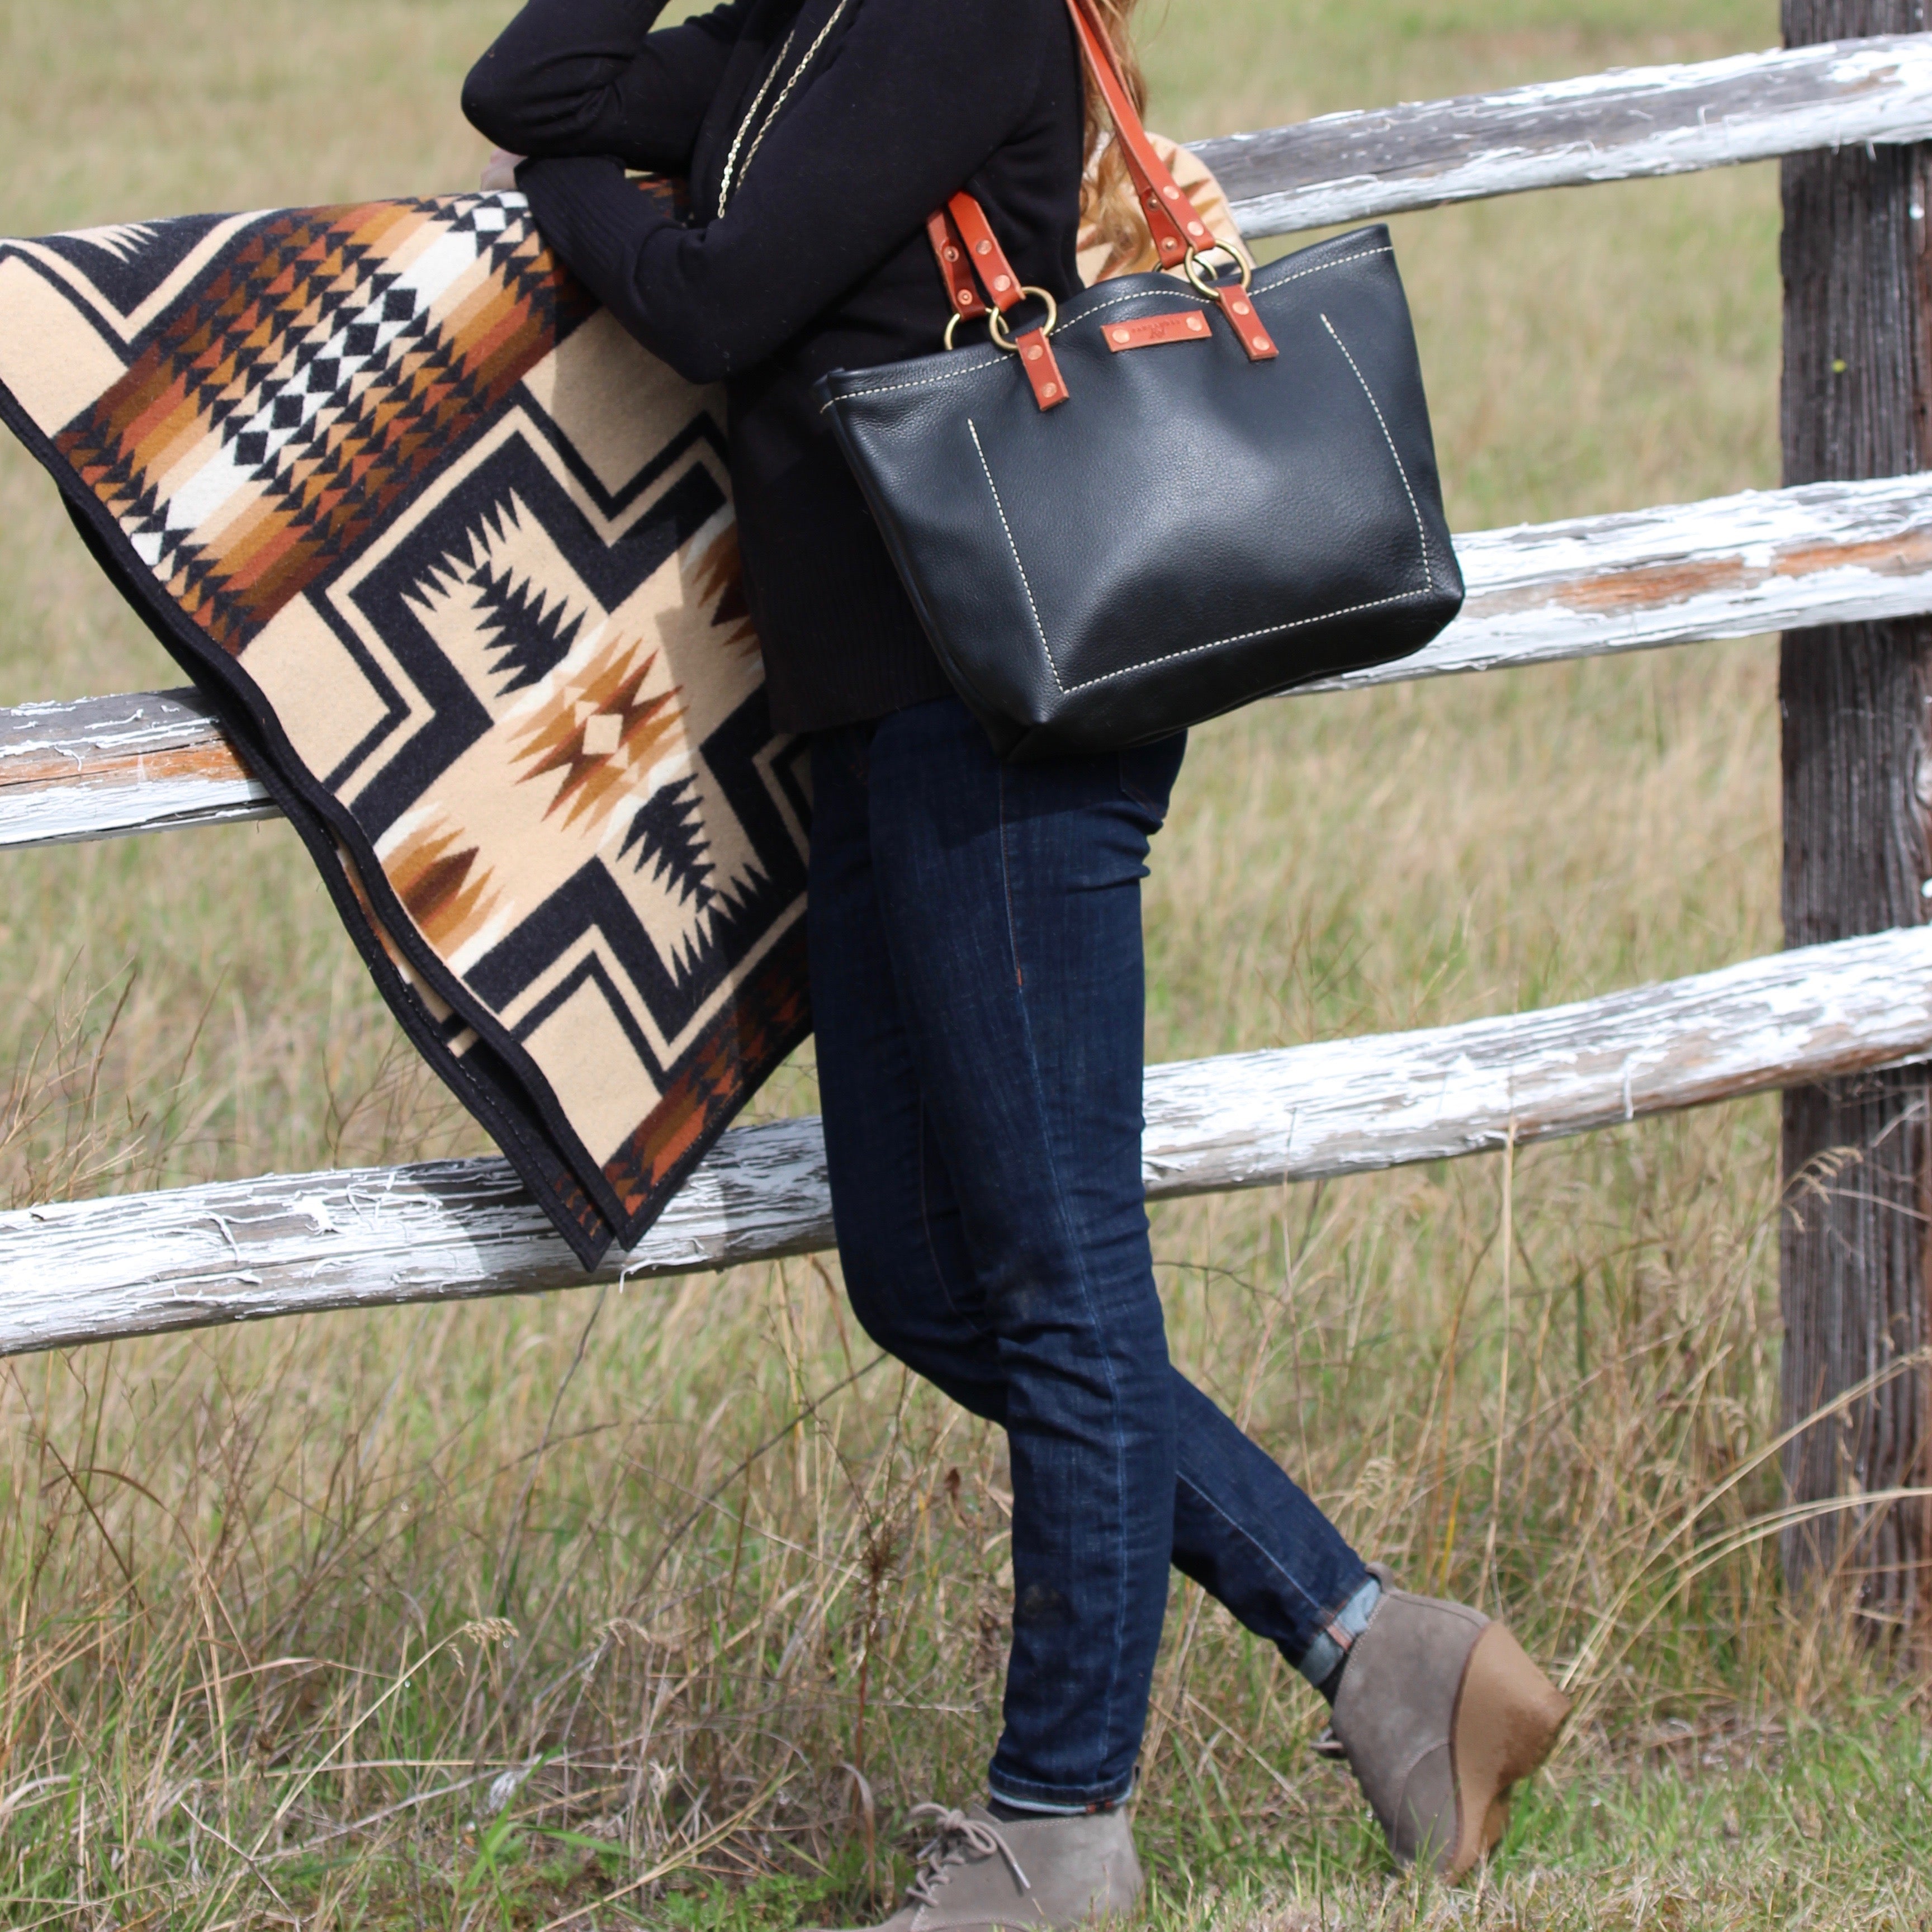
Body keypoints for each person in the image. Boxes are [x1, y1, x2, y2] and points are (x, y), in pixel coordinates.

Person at [462, 2, 1570, 1919]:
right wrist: (567, 165)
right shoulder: (782, 39)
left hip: (1007, 711)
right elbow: (534, 85)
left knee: (1061, 1281)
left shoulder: (951, 12)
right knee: (918, 1275)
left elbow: (715, 299)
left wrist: (561, 205)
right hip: (875, 721)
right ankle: (1386, 1652)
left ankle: (1059, 1830)